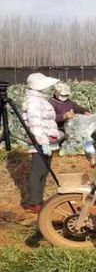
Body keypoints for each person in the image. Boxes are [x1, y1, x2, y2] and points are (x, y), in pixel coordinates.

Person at [21, 73, 61, 213]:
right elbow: (35, 124)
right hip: (40, 141)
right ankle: (34, 203)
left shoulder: (40, 99)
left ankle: (39, 200)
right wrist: (43, 142)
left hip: (47, 140)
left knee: (44, 171)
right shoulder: (33, 101)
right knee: (37, 172)